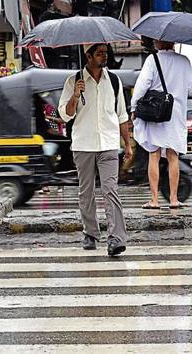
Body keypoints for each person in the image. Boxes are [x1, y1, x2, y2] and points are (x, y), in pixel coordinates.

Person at [58, 43, 132, 256]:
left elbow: (121, 116)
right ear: (88, 56)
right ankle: (90, 233)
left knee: (111, 190)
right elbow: (65, 115)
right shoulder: (73, 81)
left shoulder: (114, 81)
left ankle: (116, 238)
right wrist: (75, 95)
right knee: (86, 192)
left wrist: (127, 144)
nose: (104, 56)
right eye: (99, 53)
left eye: (105, 53)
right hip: (83, 144)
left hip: (108, 144)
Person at [131, 40, 192, 209]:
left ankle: (154, 200)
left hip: (156, 112)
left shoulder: (152, 60)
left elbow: (141, 86)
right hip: (175, 114)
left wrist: (134, 106)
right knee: (173, 156)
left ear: (159, 42)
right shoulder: (184, 61)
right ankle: (174, 199)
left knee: (153, 154)